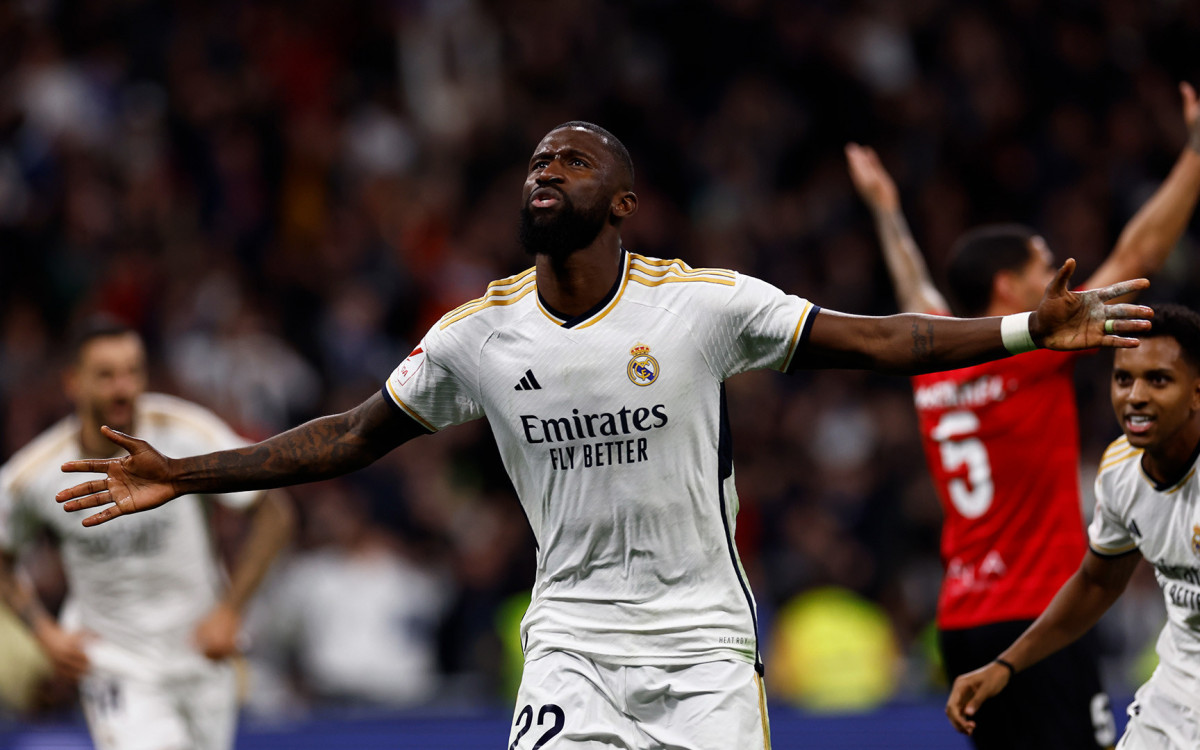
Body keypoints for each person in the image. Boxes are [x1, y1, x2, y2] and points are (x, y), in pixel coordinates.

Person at [55, 121, 1152, 749]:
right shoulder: (477, 333)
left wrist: (1019, 331)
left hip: (703, 647)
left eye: (574, 163)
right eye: (538, 162)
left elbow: (883, 340)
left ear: (623, 203)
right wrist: (188, 474)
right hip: (572, 642)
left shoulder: (702, 305)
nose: (547, 172)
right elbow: (349, 435)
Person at [845, 81, 1200, 749]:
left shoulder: (934, 362)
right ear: (1008, 289)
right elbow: (1139, 258)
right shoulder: (1031, 352)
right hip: (1040, 616)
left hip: (960, 621)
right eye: (1043, 264)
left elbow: (914, 294)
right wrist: (1197, 155)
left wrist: (887, 213)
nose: (1057, 277)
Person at [0, 320, 295, 750]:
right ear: (72, 382)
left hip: (200, 652)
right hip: (114, 661)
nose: (123, 387)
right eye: (105, 375)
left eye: (132, 371)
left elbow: (274, 513)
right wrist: (43, 631)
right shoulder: (35, 474)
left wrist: (231, 610)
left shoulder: (184, 432)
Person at [946, 303, 1200, 749]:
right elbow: (1097, 584)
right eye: (1124, 379)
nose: (1134, 396)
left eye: (1158, 380)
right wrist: (1004, 666)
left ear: (1197, 392)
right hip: (1178, 693)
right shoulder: (1121, 470)